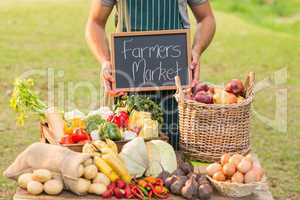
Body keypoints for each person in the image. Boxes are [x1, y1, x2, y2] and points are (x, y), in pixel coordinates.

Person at [86, 0, 216, 149]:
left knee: (174, 158)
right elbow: (95, 23)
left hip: (175, 84)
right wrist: (105, 61)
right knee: (131, 156)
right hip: (128, 83)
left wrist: (196, 50)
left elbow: (206, 18)